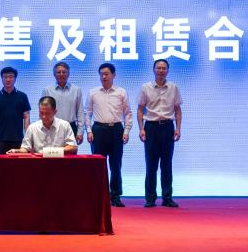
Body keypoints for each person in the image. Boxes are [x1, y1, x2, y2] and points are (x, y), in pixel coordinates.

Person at [85, 62, 132, 207]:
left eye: (106, 74)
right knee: (98, 165)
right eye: (101, 74)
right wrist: (89, 131)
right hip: (98, 130)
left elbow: (128, 113)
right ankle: (99, 195)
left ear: (113, 75)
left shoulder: (121, 92)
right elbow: (88, 113)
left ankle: (115, 196)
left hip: (116, 130)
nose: (104, 77)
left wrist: (126, 131)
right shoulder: (93, 92)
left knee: (116, 164)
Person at [138, 59, 183, 208]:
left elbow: (177, 110)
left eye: (164, 68)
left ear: (168, 71)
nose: (161, 71)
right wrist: (141, 128)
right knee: (151, 165)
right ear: (154, 70)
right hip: (151, 127)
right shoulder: (145, 87)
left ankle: (167, 197)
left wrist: (178, 128)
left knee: (167, 164)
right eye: (158, 68)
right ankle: (150, 198)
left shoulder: (173, 87)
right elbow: (140, 109)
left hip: (168, 127)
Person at [8, 96, 78, 155]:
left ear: (55, 112)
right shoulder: (32, 127)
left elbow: (73, 147)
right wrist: (17, 151)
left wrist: (50, 152)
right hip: (39, 163)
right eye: (41, 113)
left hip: (60, 162)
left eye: (47, 113)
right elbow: (25, 148)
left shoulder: (64, 125)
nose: (44, 116)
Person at [0, 66, 31, 155]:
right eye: (5, 77)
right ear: (1, 78)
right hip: (0, 138)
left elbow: (26, 117)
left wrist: (27, 138)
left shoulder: (22, 96)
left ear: (15, 79)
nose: (8, 79)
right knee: (0, 163)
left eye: (11, 77)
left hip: (18, 138)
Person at [41, 61, 84, 143]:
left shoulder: (76, 90)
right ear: (54, 74)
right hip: (52, 127)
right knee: (52, 151)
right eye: (58, 72)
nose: (61, 74)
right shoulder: (47, 90)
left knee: (71, 151)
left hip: (71, 127)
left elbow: (80, 112)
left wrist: (80, 132)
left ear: (68, 74)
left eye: (64, 72)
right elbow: (43, 112)